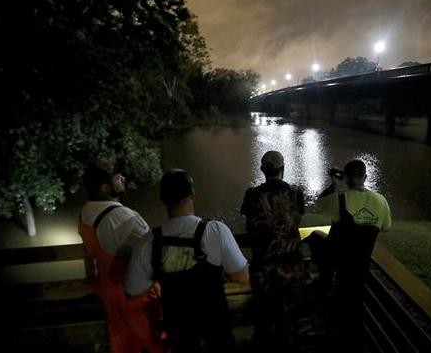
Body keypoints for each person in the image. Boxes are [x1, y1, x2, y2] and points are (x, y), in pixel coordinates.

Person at [125, 169, 249, 353]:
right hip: (215, 324)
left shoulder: (149, 241)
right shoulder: (215, 231)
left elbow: (133, 288)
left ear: (163, 199)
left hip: (177, 328)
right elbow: (242, 276)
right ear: (192, 194)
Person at [307, 159, 391, 351]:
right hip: (360, 264)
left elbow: (319, 205)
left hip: (340, 261)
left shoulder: (340, 199)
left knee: (315, 236)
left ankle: (324, 281)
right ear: (366, 177)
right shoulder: (381, 201)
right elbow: (386, 227)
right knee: (351, 297)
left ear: (345, 177)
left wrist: (334, 184)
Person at [79, 162, 163, 353]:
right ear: (105, 187)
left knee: (123, 341)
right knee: (156, 339)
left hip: (107, 288)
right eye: (117, 178)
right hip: (134, 292)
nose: (122, 179)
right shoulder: (124, 217)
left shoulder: (86, 211)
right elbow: (150, 254)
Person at [240, 150, 307, 351]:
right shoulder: (296, 193)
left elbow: (249, 220)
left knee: (264, 319)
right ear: (283, 169)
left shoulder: (252, 195)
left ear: (262, 170)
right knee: (290, 320)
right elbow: (297, 216)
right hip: (292, 269)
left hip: (264, 270)